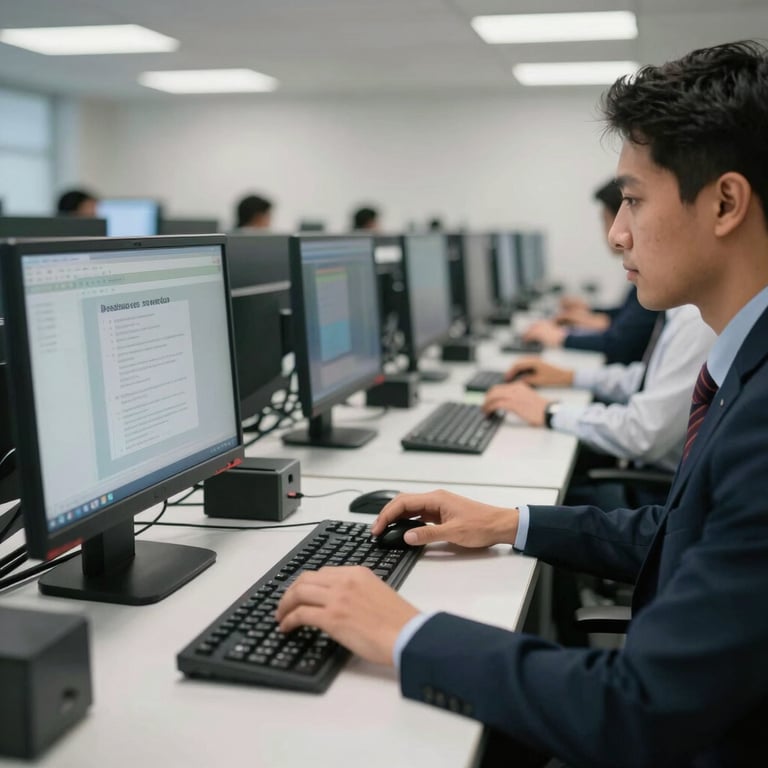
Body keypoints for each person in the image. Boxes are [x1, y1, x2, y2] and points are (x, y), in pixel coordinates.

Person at [276, 41, 768, 767]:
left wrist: (406, 632)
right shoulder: (747, 367)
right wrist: (510, 522)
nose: (616, 233)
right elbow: (683, 532)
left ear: (725, 203)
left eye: (633, 200)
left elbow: (638, 711)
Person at [483, 304, 715, 505]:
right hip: (648, 476)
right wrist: (570, 376)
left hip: (656, 498)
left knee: (523, 480)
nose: (626, 271)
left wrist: (549, 411)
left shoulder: (696, 323)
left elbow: (642, 434)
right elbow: (646, 380)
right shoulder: (682, 314)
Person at [522, 180, 660, 364]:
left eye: (604, 220)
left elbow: (621, 341)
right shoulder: (642, 275)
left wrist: (561, 337)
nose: (611, 234)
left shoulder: (654, 280)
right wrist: (589, 312)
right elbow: (628, 317)